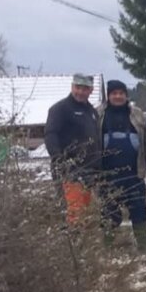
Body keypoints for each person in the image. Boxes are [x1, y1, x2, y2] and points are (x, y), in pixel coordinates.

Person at [97, 80, 146, 252]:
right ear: (109, 96)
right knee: (108, 212)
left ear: (126, 95)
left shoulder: (137, 114)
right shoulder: (98, 114)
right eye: (114, 93)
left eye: (121, 93)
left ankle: (143, 247)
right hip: (107, 176)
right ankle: (108, 248)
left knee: (139, 210)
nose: (118, 96)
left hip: (134, 173)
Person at [45, 73, 101, 225]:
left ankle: (84, 244)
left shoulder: (92, 112)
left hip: (89, 170)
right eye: (78, 88)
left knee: (86, 212)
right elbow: (51, 135)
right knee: (74, 212)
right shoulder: (60, 109)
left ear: (91, 90)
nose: (81, 92)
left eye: (85, 89)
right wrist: (59, 159)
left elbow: (96, 139)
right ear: (72, 87)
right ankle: (74, 244)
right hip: (69, 170)